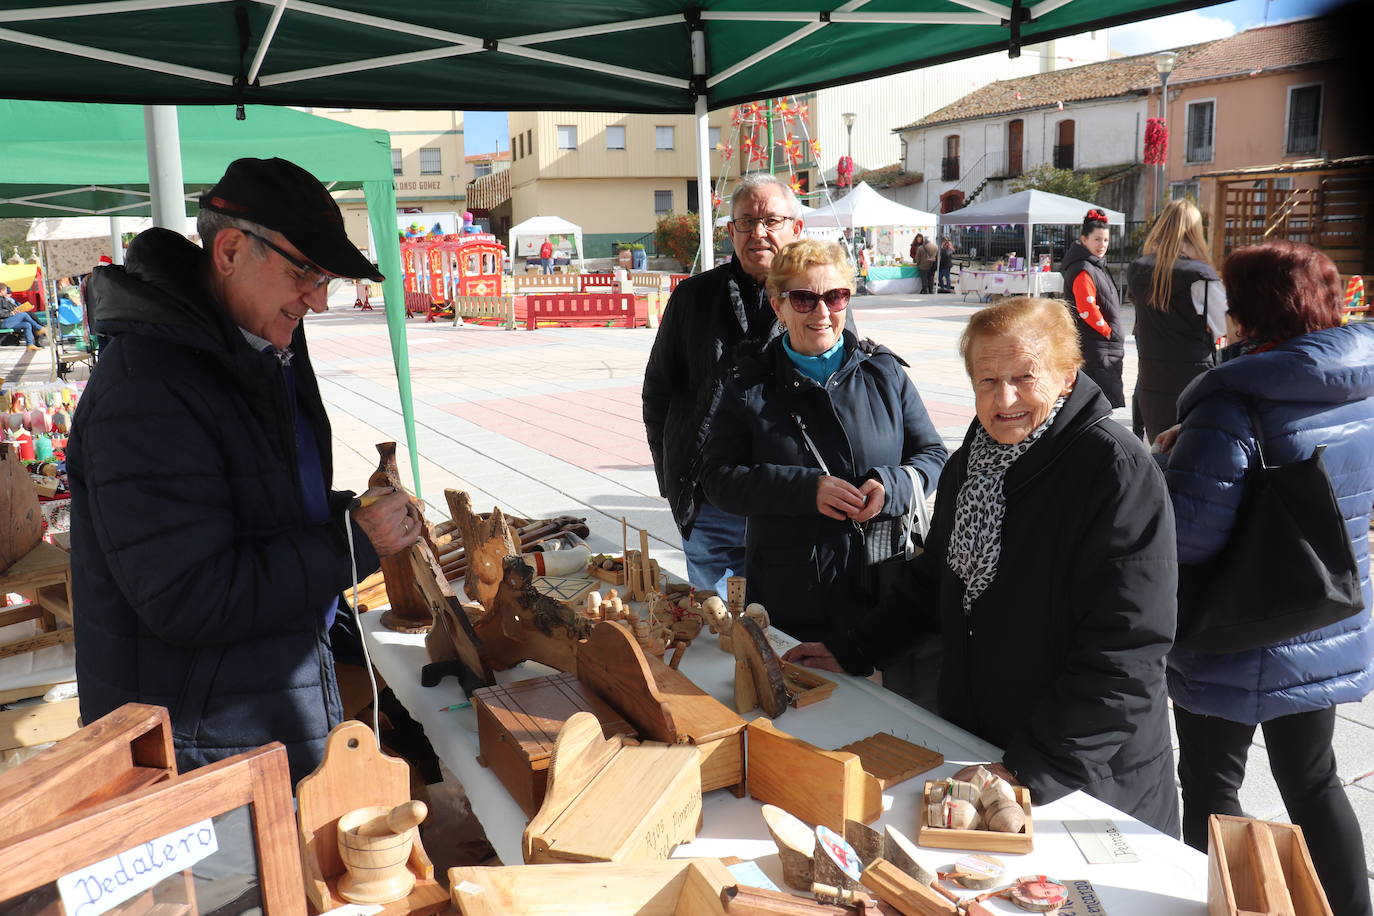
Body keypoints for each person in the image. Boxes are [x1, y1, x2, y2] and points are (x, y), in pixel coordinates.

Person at [68, 157, 422, 783]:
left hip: (256, 712)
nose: (316, 299)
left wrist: (343, 513)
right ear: (230, 249)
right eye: (303, 272)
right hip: (197, 750)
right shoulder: (148, 389)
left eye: (327, 280)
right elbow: (190, 595)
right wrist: (355, 542)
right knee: (241, 887)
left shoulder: (257, 350)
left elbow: (254, 509)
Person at [785, 297, 1180, 836]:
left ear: (1067, 375)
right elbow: (935, 580)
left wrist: (1025, 771)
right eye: (987, 380)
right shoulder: (978, 451)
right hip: (984, 745)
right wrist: (854, 649)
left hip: (1082, 773)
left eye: (1024, 377)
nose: (1005, 398)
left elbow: (1126, 652)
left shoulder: (1113, 469)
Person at [1157, 241, 1373, 915]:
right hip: (1323, 612)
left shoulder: (1231, 403)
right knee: (1314, 780)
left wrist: (1166, 460)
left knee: (1213, 784)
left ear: (1248, 307)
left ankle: (1217, 905)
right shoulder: (1359, 385)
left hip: (1234, 627)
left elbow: (1187, 535)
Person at [701, 239, 947, 650]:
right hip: (791, 593)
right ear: (777, 305)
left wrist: (891, 486)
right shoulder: (748, 384)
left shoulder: (884, 373)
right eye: (803, 299)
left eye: (835, 297)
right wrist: (805, 489)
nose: (821, 312)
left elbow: (933, 456)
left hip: (879, 584)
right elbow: (717, 478)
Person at [646, 173, 856, 597]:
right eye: (746, 222)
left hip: (790, 498)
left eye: (771, 221)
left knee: (785, 627)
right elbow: (659, 392)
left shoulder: (822, 298)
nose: (758, 233)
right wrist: (674, 480)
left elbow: (843, 389)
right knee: (717, 630)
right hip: (709, 502)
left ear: (796, 228)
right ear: (730, 232)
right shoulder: (692, 298)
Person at [1126, 199, 1225, 445]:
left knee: (1161, 454)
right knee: (1192, 454)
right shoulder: (1198, 275)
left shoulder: (1138, 268)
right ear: (1195, 231)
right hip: (1193, 379)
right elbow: (1227, 325)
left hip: (1152, 379)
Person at [1061, 209, 1125, 408]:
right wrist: (1107, 331)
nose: (1102, 245)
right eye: (1097, 239)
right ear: (1084, 239)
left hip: (1102, 346)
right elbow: (1086, 307)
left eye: (1105, 240)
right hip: (1097, 346)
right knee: (1098, 404)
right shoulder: (1083, 268)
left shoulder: (1094, 265)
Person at [0, 283, 47, 349]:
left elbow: (6, 310)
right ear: (1, 291)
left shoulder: (3, 299)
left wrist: (15, 311)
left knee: (26, 324)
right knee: (24, 314)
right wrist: (11, 313)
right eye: (5, 290)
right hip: (2, 323)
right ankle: (39, 328)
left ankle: (30, 344)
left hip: (7, 321)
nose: (6, 292)